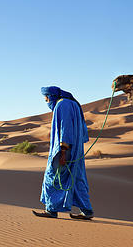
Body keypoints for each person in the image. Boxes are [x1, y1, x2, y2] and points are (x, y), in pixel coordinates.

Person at [31, 86, 94, 220]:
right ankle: (87, 210)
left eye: (46, 98)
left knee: (52, 177)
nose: (46, 101)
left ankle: (51, 210)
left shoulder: (62, 105)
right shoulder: (73, 104)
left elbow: (65, 128)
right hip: (75, 149)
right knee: (76, 179)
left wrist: (63, 151)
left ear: (52, 96)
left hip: (64, 150)